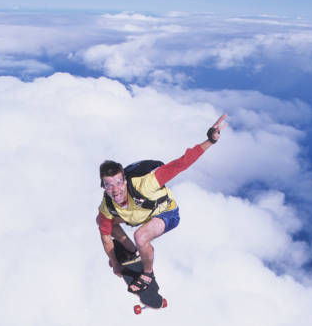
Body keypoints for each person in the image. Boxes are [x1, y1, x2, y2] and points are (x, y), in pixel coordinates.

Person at [97, 114, 227, 294]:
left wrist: (210, 141)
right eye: (109, 185)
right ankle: (132, 251)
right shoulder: (107, 206)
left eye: (119, 182)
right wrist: (115, 263)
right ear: (103, 186)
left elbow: (181, 163)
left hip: (166, 213)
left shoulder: (147, 184)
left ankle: (148, 273)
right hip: (139, 215)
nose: (115, 189)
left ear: (125, 181)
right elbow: (105, 236)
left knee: (141, 236)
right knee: (104, 223)